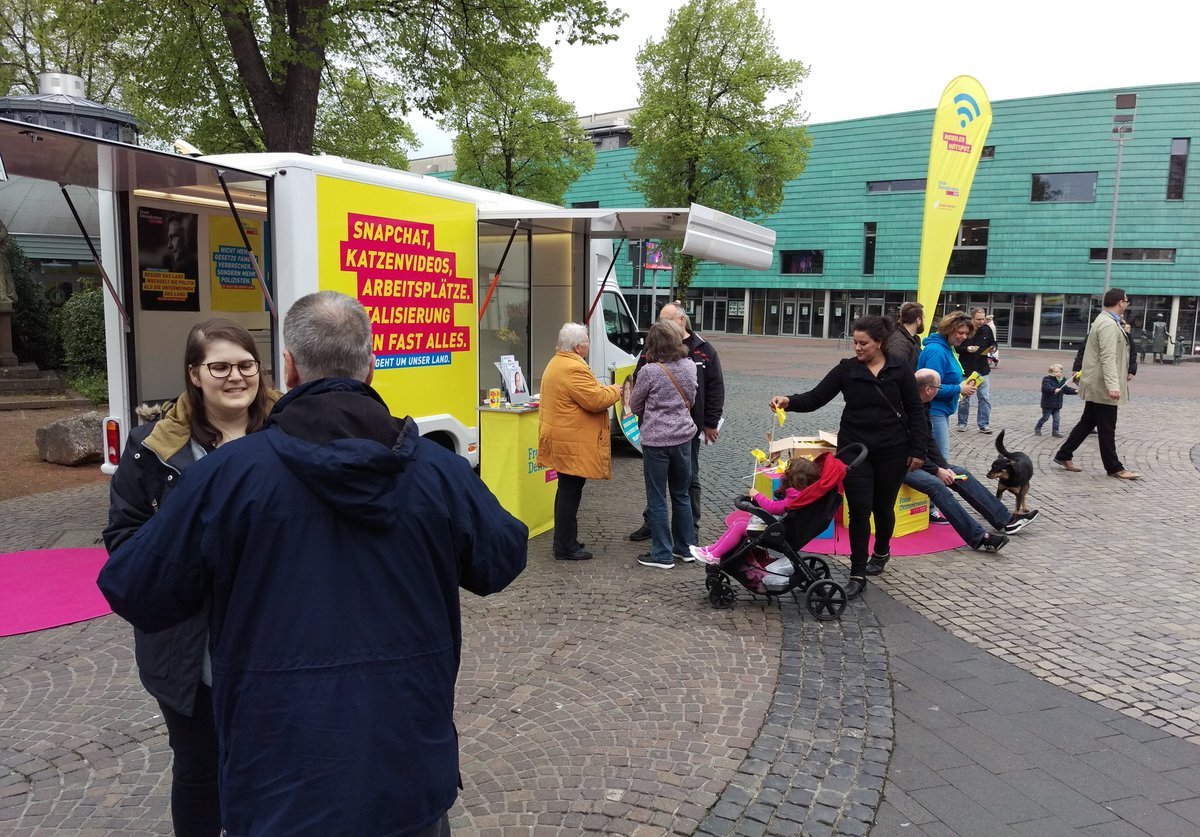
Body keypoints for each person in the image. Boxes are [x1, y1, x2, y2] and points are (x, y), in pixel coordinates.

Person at [99, 291, 528, 837]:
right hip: (405, 756)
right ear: (371, 364)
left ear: (289, 367)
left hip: (278, 768)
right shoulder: (438, 472)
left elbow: (136, 586)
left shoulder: (226, 478)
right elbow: (503, 555)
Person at [102, 319, 279, 837]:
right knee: (200, 770)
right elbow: (123, 542)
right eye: (219, 366)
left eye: (246, 365)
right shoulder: (151, 448)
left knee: (272, 766)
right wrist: (190, 541)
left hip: (271, 637)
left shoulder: (287, 433)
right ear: (194, 375)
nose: (235, 377)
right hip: (186, 646)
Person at [769, 315, 927, 599]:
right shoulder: (847, 370)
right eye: (854, 342)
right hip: (855, 451)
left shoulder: (899, 368)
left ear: (879, 343)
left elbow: (916, 410)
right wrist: (788, 401)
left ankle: (881, 551)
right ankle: (857, 571)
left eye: (863, 343)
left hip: (893, 448)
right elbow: (816, 397)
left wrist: (918, 450)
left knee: (883, 507)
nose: (857, 347)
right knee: (859, 510)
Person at [867, 369, 1040, 574]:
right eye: (939, 387)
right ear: (929, 389)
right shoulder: (903, 407)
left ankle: (1005, 520)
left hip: (916, 461)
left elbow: (928, 441)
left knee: (960, 473)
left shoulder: (921, 404)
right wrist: (937, 471)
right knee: (936, 485)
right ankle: (980, 538)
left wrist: (944, 467)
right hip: (894, 464)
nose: (939, 391)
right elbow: (904, 449)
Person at [628, 301, 724, 542]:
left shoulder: (702, 350)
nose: (662, 325)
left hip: (687, 431)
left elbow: (714, 387)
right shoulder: (651, 352)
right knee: (661, 487)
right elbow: (639, 381)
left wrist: (710, 421)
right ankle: (655, 525)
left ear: (681, 320)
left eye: (667, 320)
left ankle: (690, 529)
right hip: (662, 430)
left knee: (688, 482)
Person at [537, 322, 624, 560]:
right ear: (578, 347)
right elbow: (595, 399)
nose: (588, 344)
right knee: (570, 492)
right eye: (586, 340)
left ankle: (565, 540)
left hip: (563, 437)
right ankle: (565, 546)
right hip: (570, 441)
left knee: (566, 491)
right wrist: (615, 390)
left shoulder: (559, 362)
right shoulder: (573, 368)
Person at [628, 320, 698, 569]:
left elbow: (635, 405)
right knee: (681, 494)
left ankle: (662, 553)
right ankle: (686, 547)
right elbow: (692, 397)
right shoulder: (690, 366)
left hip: (656, 443)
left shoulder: (649, 371)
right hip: (683, 439)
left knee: (657, 498)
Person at [1054, 288, 1139, 480]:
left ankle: (1063, 455)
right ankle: (1114, 467)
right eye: (1126, 301)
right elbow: (1108, 357)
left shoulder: (1106, 321)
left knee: (1088, 421)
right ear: (1120, 302)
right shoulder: (1108, 324)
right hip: (1102, 385)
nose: (1127, 304)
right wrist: (1113, 385)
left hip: (1098, 382)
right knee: (1107, 426)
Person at [688, 456, 822, 564]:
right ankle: (712, 549)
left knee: (740, 526)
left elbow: (774, 507)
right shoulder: (801, 494)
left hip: (778, 531)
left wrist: (757, 495)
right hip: (781, 525)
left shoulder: (795, 496)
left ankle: (715, 555)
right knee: (740, 521)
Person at [917, 311, 977, 460]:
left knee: (937, 460)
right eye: (960, 332)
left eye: (966, 333)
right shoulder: (937, 351)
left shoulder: (947, 348)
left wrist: (960, 386)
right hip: (934, 411)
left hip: (940, 411)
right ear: (949, 329)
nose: (963, 337)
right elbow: (929, 388)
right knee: (941, 461)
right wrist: (959, 389)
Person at [955, 307, 997, 433]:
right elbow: (956, 347)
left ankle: (984, 424)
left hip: (982, 369)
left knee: (984, 398)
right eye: (978, 319)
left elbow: (993, 343)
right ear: (972, 318)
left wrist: (993, 348)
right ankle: (962, 423)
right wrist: (967, 349)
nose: (981, 321)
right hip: (967, 369)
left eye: (983, 319)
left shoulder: (987, 329)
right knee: (964, 399)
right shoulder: (965, 330)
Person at [1035, 363, 1077, 437]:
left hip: (1057, 404)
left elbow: (1066, 389)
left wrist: (1075, 391)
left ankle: (1055, 431)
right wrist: (1054, 389)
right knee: (1045, 417)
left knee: (1057, 419)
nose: (1059, 374)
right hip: (1048, 404)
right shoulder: (1047, 380)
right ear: (1051, 373)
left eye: (1060, 372)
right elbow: (1046, 388)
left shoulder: (1061, 381)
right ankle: (1038, 427)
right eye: (1056, 372)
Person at [885, 301, 924, 371]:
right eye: (923, 318)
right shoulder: (899, 342)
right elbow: (897, 372)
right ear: (918, 320)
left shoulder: (912, 339)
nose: (924, 321)